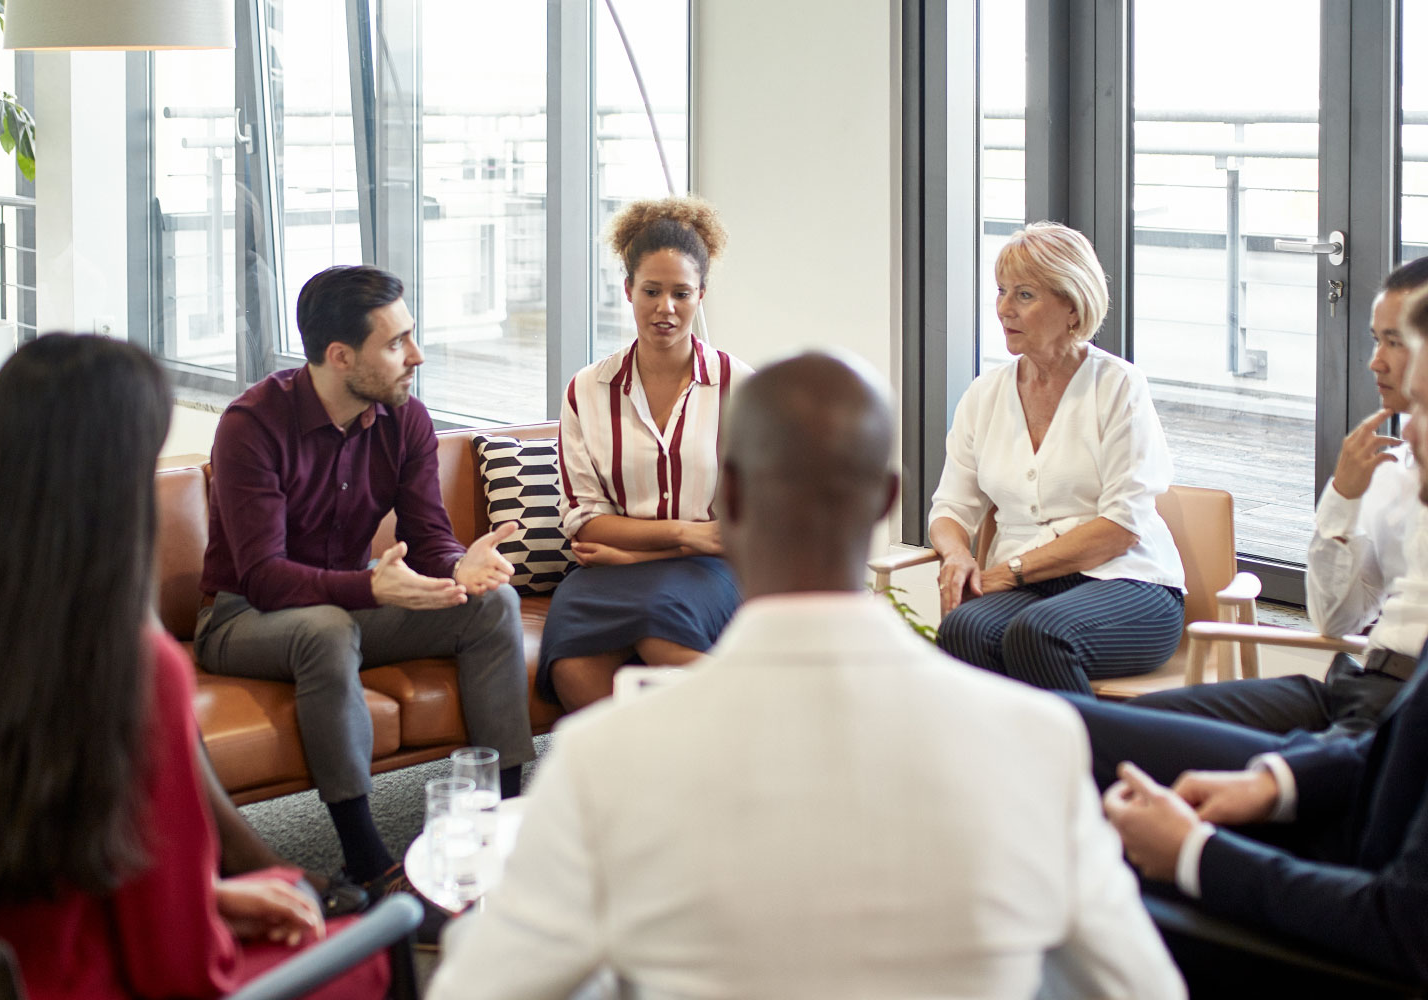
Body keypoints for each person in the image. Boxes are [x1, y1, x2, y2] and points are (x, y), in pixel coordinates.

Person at [427, 352, 1184, 1000]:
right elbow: (1146, 987)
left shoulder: (603, 759)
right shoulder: (1038, 742)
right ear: (887, 498)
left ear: (736, 494)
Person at [0, 334, 389, 1000]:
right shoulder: (126, 665)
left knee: (279, 891)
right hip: (66, 981)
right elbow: (183, 976)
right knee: (371, 947)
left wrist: (212, 898)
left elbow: (39, 855)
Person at [1100, 276, 1428, 994]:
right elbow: (1407, 742)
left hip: (1368, 940)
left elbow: (1419, 930)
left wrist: (1195, 853)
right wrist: (1272, 783)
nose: (1412, 431)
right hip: (1357, 821)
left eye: (1427, 408)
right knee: (1070, 735)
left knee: (1078, 887)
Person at [197, 264, 534, 893]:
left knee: (493, 605)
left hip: (348, 606)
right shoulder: (252, 426)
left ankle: (500, 822)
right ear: (340, 356)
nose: (417, 356)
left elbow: (429, 533)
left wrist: (460, 565)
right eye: (396, 343)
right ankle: (366, 857)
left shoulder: (406, 419)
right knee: (325, 630)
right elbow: (265, 578)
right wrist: (371, 588)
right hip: (243, 618)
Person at [1115, 255, 1428, 738]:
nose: (1376, 361)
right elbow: (1335, 617)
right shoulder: (1388, 474)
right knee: (1127, 727)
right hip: (1358, 682)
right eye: (1376, 340)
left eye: (1395, 342)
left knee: (1239, 769)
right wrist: (1343, 497)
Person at [930, 221, 1186, 694]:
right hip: (1030, 591)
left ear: (1073, 305)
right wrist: (957, 553)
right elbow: (950, 507)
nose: (1004, 308)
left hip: (1130, 583)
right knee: (962, 630)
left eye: (1024, 295)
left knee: (1040, 635)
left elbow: (1121, 527)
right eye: (1002, 291)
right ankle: (1003, 768)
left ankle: (1085, 764)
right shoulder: (983, 396)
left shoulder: (1118, 387)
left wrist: (1011, 570)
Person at [541, 196, 750, 711]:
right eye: (651, 291)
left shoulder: (739, 387)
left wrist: (637, 551)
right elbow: (584, 521)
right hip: (607, 571)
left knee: (661, 630)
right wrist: (681, 534)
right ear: (628, 288)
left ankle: (737, 762)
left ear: (701, 294)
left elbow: (747, 530)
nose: (666, 308)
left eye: (681, 293)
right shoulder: (587, 389)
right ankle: (630, 788)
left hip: (711, 570)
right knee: (571, 663)